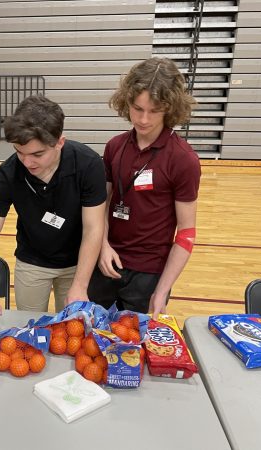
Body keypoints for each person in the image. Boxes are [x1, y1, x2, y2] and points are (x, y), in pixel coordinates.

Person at [0, 95, 107, 325]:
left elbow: (94, 227)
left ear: (60, 142)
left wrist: (80, 285)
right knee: (30, 327)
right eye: (20, 152)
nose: (27, 162)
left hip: (77, 262)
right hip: (32, 262)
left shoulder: (88, 165)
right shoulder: (8, 174)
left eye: (37, 154)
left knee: (72, 329)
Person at [88, 57, 201, 319]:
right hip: (106, 261)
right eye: (137, 108)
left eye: (154, 111)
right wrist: (102, 246)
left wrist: (162, 290)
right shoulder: (114, 146)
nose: (143, 119)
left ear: (170, 108)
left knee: (133, 350)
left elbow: (186, 233)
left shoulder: (183, 159)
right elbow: (101, 206)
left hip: (149, 274)